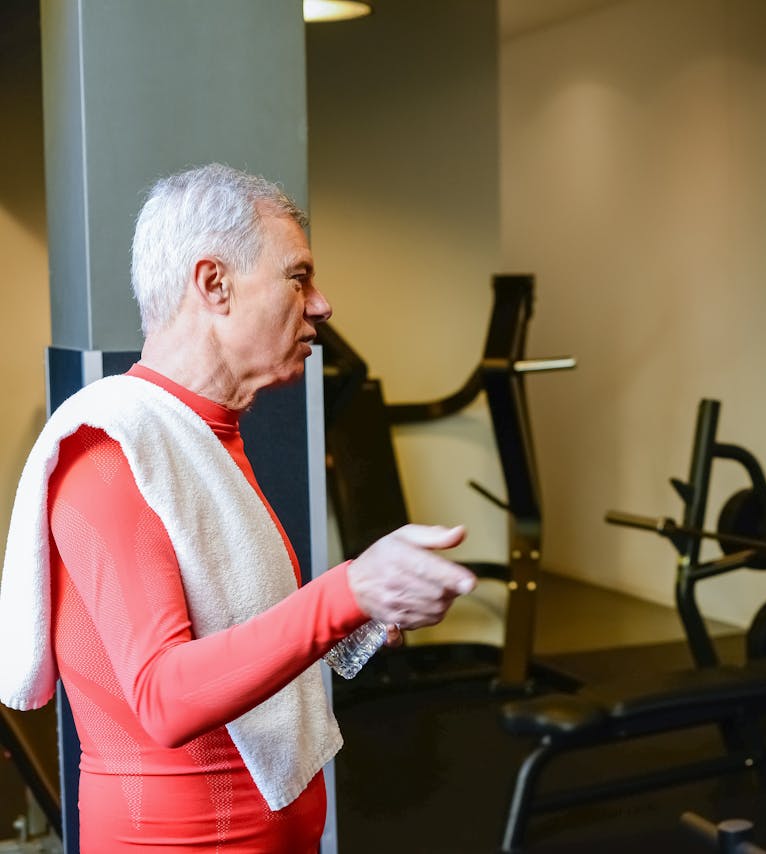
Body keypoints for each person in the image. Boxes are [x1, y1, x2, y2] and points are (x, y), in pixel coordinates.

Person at [0, 163, 477, 851]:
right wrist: (347, 590)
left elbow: (233, 632)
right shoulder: (109, 447)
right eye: (297, 277)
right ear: (214, 285)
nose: (321, 304)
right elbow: (163, 697)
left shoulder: (204, 434)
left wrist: (366, 609)